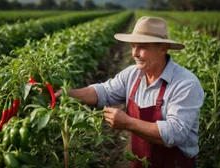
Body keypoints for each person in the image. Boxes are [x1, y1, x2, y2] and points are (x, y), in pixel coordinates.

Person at [55, 16, 204, 168]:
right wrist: (66, 93)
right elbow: (103, 92)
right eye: (133, 46)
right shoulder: (132, 75)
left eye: (142, 47)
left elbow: (175, 133)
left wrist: (127, 122)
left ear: (163, 48)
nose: (135, 53)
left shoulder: (185, 83)